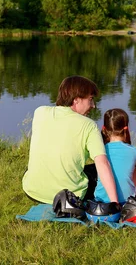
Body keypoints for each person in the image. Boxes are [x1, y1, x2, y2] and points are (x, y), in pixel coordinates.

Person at [22, 76, 119, 204]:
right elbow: (102, 163)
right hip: (70, 197)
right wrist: (115, 203)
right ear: (76, 99)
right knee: (106, 169)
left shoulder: (40, 112)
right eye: (90, 99)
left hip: (32, 192)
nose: (93, 105)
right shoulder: (89, 125)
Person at [93, 108, 136, 204]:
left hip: (101, 200)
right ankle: (133, 196)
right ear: (126, 129)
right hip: (125, 202)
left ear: (104, 128)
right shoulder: (134, 151)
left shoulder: (101, 151)